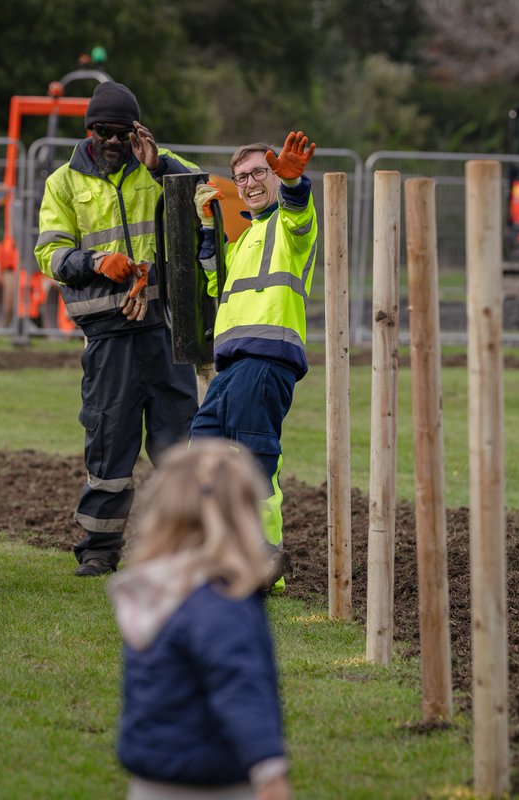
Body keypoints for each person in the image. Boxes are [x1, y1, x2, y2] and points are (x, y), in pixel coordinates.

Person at [35, 82, 200, 577]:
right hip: (107, 336)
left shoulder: (157, 164)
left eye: (123, 132)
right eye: (105, 132)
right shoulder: (63, 183)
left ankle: (181, 545)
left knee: (178, 439)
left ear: (137, 132)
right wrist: (95, 261)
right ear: (89, 130)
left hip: (163, 330)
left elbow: (205, 197)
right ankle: (100, 549)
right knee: (109, 440)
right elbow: (50, 253)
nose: (114, 141)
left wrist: (159, 167)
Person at [108, 440, 290, 800]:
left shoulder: (156, 590)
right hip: (213, 780)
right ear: (242, 521)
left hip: (150, 777)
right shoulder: (221, 605)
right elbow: (239, 685)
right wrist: (268, 769)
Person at [190, 132, 319, 594]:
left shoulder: (287, 223)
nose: (248, 183)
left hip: (266, 359)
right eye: (241, 177)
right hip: (232, 366)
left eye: (258, 173)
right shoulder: (244, 238)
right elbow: (214, 287)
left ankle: (263, 562)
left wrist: (295, 184)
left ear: (273, 175)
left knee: (252, 462)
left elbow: (301, 218)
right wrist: (208, 229)